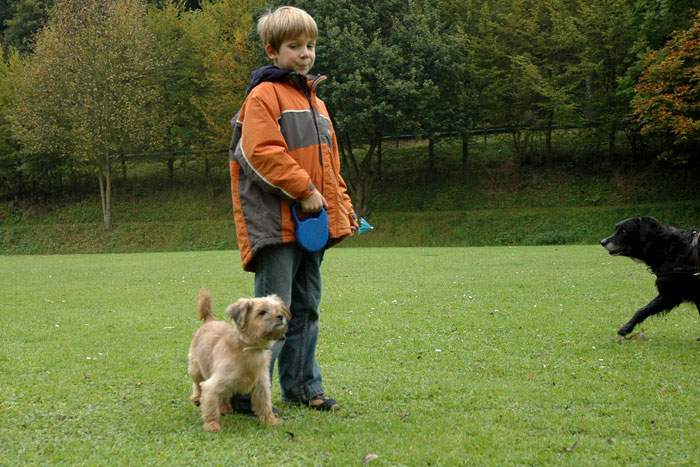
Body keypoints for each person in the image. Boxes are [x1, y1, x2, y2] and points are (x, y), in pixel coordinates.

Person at [228, 5, 357, 412]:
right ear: (272, 51)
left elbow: (330, 168)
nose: (305, 54)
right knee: (269, 316)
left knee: (306, 308)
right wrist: (303, 189)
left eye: (310, 46)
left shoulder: (317, 103)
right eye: (295, 46)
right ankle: (248, 394)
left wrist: (343, 210)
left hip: (310, 225)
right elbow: (261, 153)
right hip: (275, 225)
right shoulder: (262, 97)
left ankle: (303, 388)